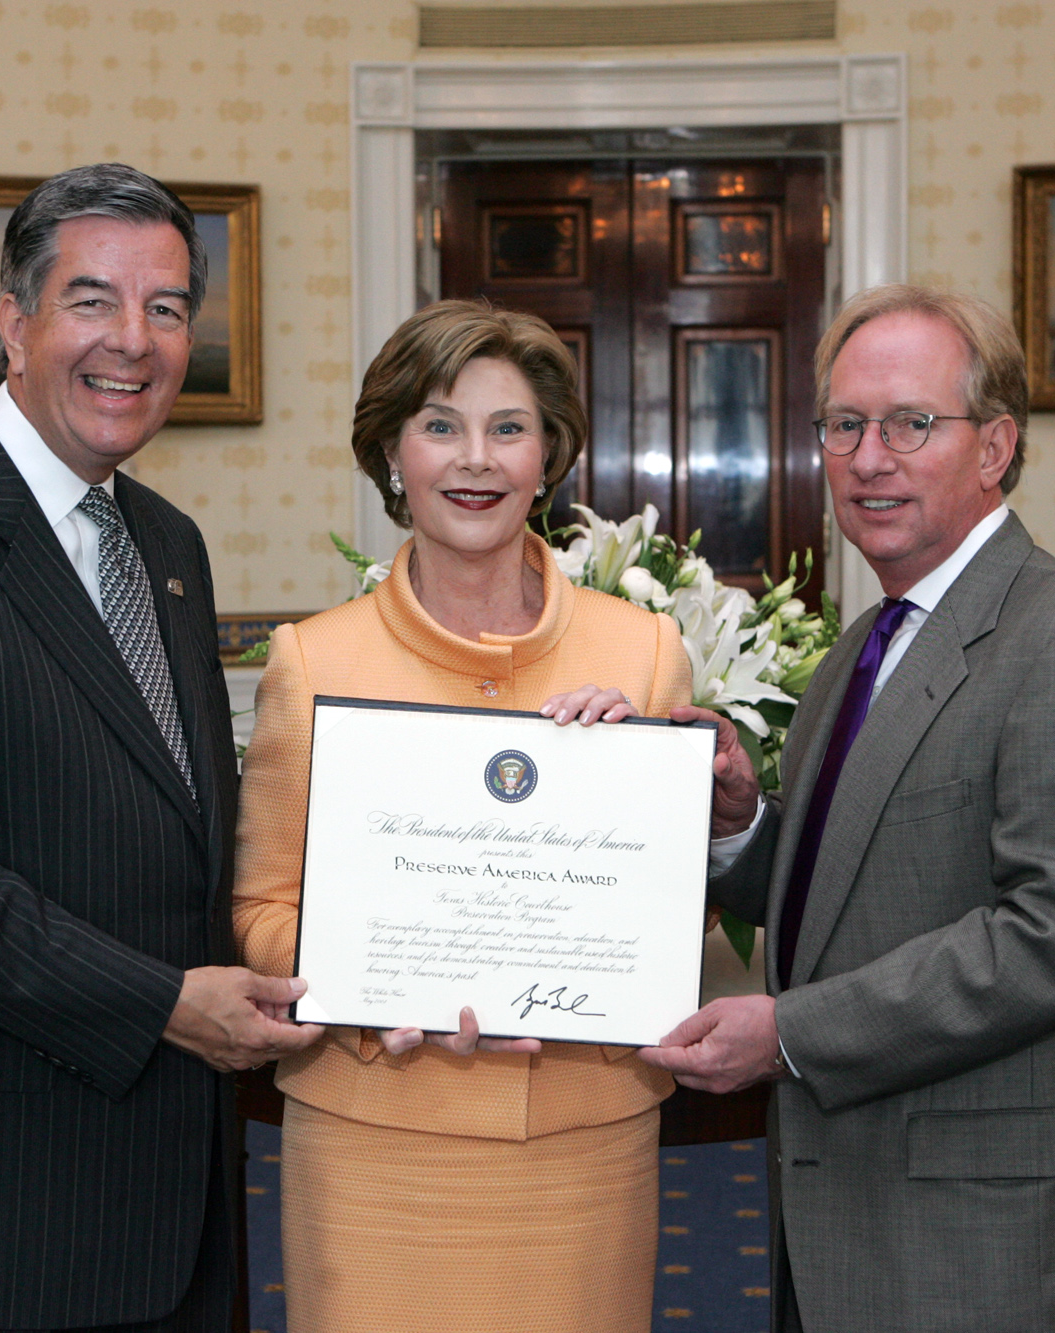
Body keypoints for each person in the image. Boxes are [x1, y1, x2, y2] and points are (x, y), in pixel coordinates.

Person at [0, 164, 322, 1333]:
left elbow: (181, 826)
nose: (132, 341)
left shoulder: (167, 541)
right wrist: (162, 1005)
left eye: (168, 308)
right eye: (92, 301)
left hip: (173, 1190)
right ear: (14, 324)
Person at [644, 284, 1055, 1332]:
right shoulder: (867, 641)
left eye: (908, 423)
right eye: (843, 424)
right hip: (855, 1199)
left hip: (998, 1234)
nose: (866, 456)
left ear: (994, 446)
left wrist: (789, 1032)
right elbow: (852, 878)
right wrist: (743, 818)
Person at [233, 300, 692, 1333]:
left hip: (582, 1143)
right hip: (375, 1139)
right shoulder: (314, 660)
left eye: (507, 427)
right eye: (439, 426)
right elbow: (261, 906)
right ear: (391, 453)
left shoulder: (644, 653)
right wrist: (368, 979)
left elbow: (682, 922)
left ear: (548, 456)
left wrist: (649, 809)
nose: (474, 459)